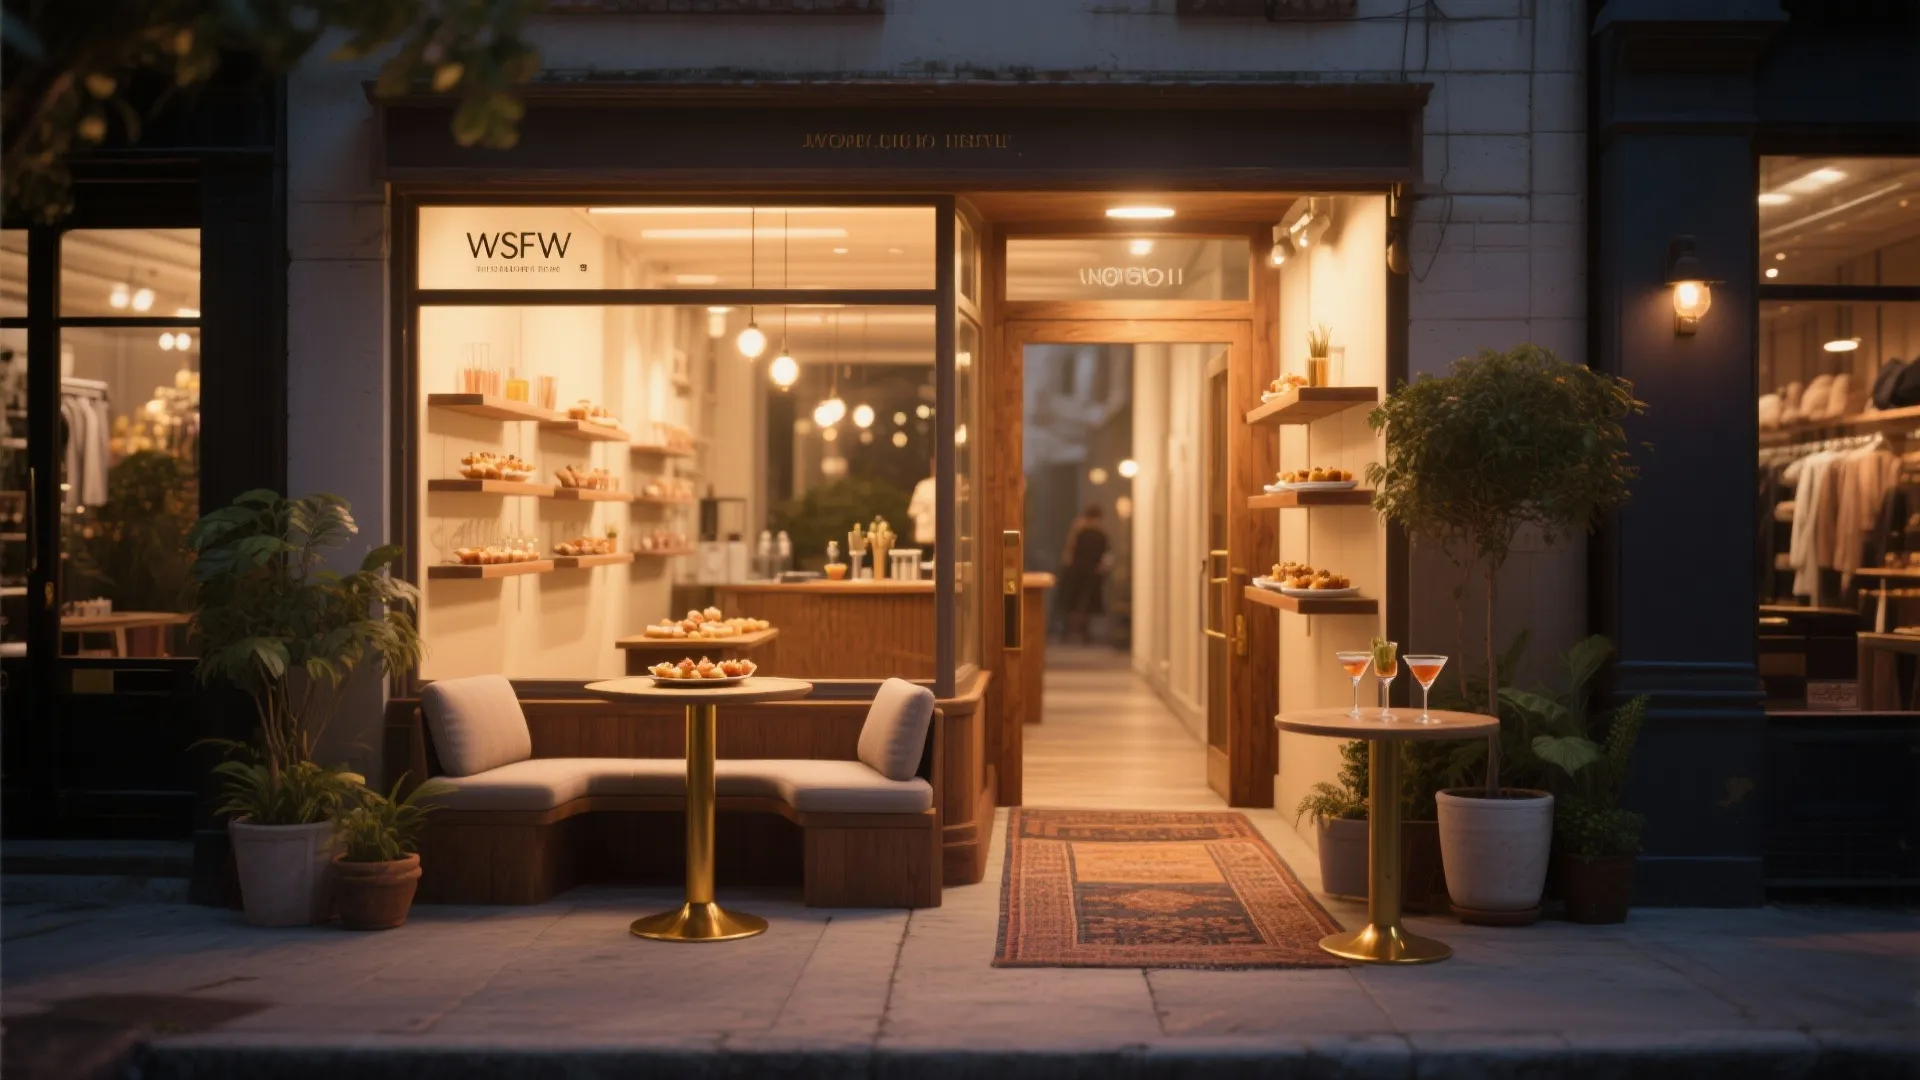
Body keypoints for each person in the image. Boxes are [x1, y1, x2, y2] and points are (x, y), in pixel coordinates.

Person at [1058, 504, 1111, 644]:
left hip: (1078, 570)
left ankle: (1069, 631)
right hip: (1089, 572)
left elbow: (1070, 550)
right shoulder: (1099, 533)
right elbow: (1104, 552)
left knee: (1074, 602)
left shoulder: (1079, 530)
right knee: (1084, 603)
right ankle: (1082, 633)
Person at [908, 459, 937, 564]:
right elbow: (913, 512)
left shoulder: (952, 485)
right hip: (926, 537)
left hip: (945, 538)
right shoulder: (923, 486)